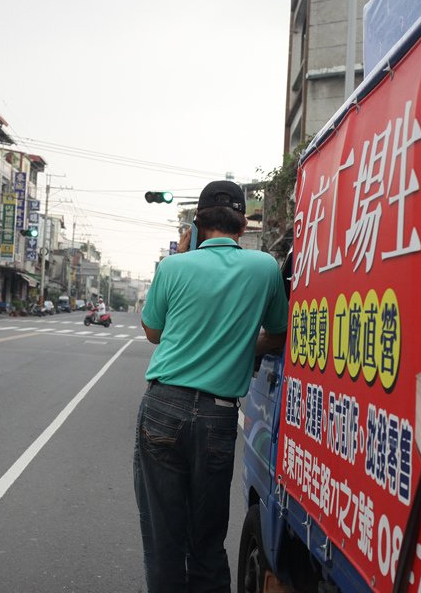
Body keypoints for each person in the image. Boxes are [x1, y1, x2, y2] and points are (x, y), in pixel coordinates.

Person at [134, 180, 289, 592]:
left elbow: (153, 331)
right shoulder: (265, 268)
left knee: (163, 538)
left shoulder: (173, 267)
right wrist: (241, 343)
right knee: (206, 539)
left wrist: (184, 254)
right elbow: (279, 332)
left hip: (163, 406)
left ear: (199, 224)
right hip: (219, 415)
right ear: (242, 224)